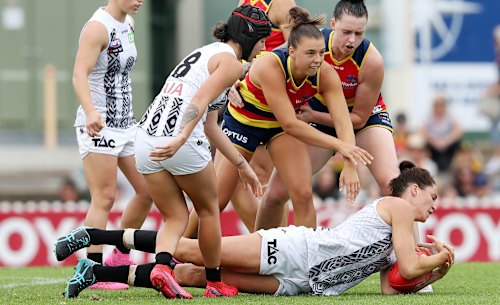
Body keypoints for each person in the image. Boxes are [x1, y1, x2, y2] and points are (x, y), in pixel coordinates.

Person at [59, 5, 271, 299]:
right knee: (209, 209)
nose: (263, 49)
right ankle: (214, 282)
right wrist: (182, 136)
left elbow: (211, 125)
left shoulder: (205, 53)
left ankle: (160, 266)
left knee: (175, 216)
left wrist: (239, 163)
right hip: (172, 139)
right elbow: (199, 101)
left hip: (145, 138)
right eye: (262, 41)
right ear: (248, 37)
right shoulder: (231, 64)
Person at [57, 161, 454, 297]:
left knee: (192, 275)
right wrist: (441, 259)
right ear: (414, 191)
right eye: (432, 198)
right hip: (297, 251)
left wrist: (435, 267)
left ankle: (97, 272)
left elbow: (391, 286)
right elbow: (409, 263)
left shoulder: (404, 229)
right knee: (191, 250)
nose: (434, 207)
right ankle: (96, 237)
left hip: (302, 284)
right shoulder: (399, 208)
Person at [255, 0, 399, 230]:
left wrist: (349, 162)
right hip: (319, 116)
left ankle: (410, 256)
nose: (352, 40)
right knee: (276, 194)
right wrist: (237, 83)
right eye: (346, 32)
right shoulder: (311, 42)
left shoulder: (372, 61)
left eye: (359, 33)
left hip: (362, 120)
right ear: (332, 24)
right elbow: (267, 63)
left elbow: (357, 120)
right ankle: (256, 258)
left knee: (393, 185)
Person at [183, 0, 298, 238]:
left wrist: (251, 73)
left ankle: (264, 254)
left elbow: (297, 49)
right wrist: (234, 77)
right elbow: (236, 49)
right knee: (224, 192)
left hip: (269, 107)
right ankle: (179, 253)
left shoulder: (283, 3)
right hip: (243, 107)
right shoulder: (245, 2)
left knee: (263, 185)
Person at [71, 0, 152, 290]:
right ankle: (92, 270)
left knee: (147, 190)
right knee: (104, 197)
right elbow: (79, 74)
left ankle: (119, 257)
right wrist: (92, 111)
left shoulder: (129, 22)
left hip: (127, 124)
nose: (139, 1)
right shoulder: (97, 28)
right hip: (99, 123)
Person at [420, 93, 463, 173]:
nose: (439, 109)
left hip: (447, 146)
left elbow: (458, 130)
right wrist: (434, 141)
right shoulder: (429, 116)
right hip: (433, 145)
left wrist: (446, 141)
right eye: (437, 106)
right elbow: (422, 130)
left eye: (441, 106)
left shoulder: (450, 116)